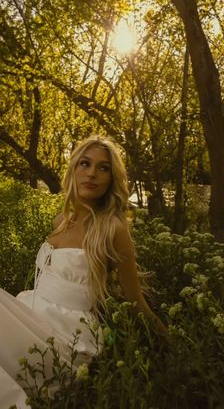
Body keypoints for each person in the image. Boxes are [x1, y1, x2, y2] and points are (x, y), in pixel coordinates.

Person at [0, 135, 166, 408]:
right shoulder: (61, 220)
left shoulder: (113, 229)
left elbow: (136, 301)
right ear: (74, 169)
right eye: (85, 164)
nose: (92, 173)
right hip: (31, 314)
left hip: (65, 338)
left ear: (112, 178)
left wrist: (173, 345)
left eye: (103, 168)